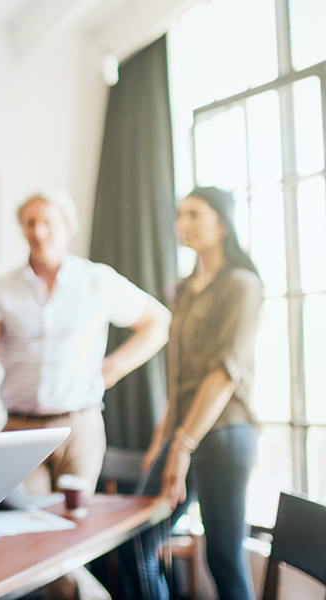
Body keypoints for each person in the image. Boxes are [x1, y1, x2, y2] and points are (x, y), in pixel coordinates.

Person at [0, 191, 171, 498]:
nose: (38, 231)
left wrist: (112, 369)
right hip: (20, 429)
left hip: (80, 427)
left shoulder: (97, 280)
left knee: (75, 527)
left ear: (68, 226)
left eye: (47, 222)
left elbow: (158, 322)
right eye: (30, 223)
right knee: (25, 526)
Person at [134, 187, 263, 600]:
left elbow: (224, 373)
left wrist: (181, 445)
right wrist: (164, 436)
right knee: (139, 542)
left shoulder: (241, 285)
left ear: (222, 225)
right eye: (180, 214)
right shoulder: (184, 289)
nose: (182, 223)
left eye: (194, 214)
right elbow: (178, 374)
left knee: (223, 560)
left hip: (226, 435)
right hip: (184, 434)